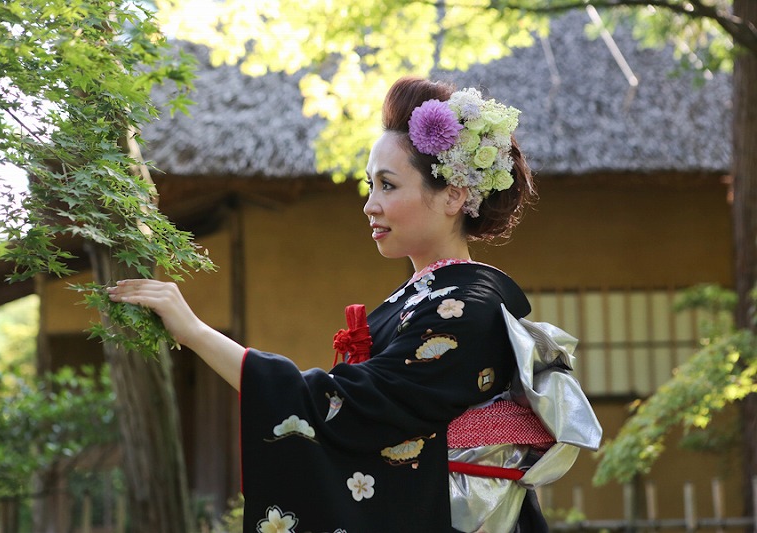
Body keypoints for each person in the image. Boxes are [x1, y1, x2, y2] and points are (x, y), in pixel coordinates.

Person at [108, 76, 600, 532]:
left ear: (453, 195)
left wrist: (195, 332)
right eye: (371, 186)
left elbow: (348, 405)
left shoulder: (468, 304)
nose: (370, 204)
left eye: (388, 185)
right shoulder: (425, 298)